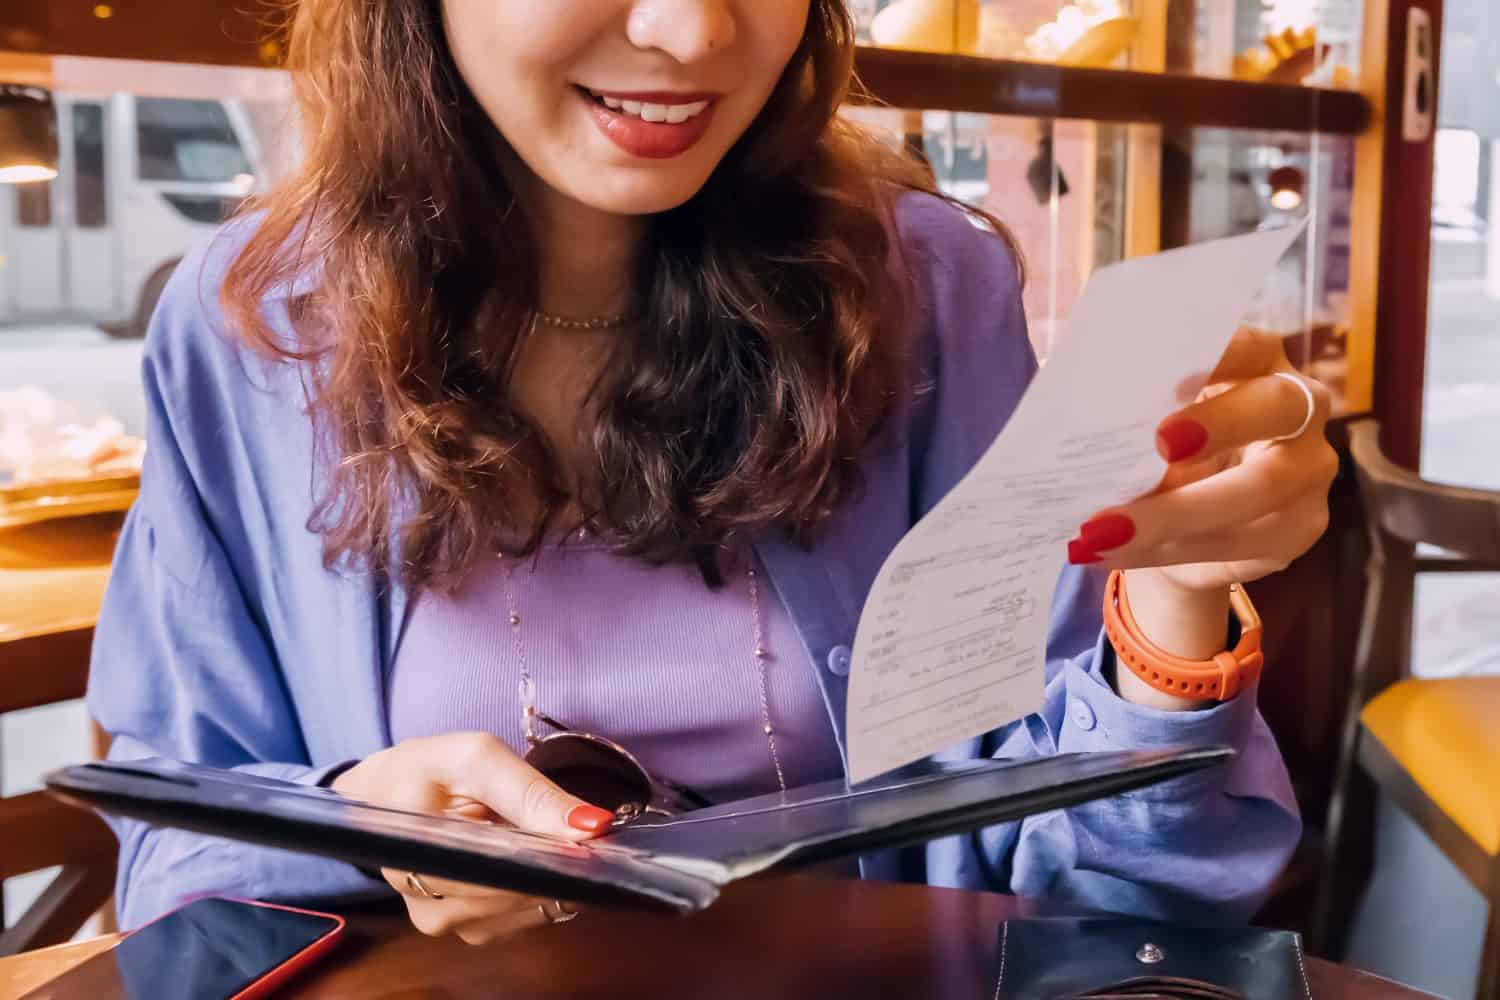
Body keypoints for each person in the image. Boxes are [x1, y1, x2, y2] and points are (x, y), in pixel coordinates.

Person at [87, 0, 1336, 943]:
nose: (692, 33)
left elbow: (1112, 888)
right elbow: (174, 850)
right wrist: (361, 825)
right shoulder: (256, 326)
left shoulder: (926, 291)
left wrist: (1171, 608)